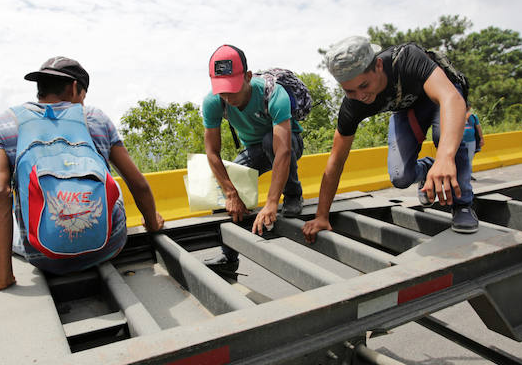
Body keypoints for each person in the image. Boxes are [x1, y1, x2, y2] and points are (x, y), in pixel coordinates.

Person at [0, 57, 163, 297]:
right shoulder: (95, 118)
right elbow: (138, 183)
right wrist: (152, 223)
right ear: (74, 88)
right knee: (110, 182)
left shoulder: (0, 125)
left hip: (44, 257)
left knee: (11, 207)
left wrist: (2, 276)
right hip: (108, 245)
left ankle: (9, 268)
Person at [303, 36, 477, 242]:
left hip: (441, 98)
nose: (360, 96)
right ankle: (428, 168)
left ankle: (463, 204)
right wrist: (322, 216)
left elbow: (451, 98)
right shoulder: (353, 105)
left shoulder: (406, 59)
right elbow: (335, 160)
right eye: (350, 91)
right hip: (408, 109)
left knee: (446, 139)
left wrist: (445, 158)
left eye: (364, 85)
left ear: (377, 65)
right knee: (400, 176)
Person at [201, 44, 305, 273]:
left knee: (271, 142)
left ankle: (294, 194)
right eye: (222, 91)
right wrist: (231, 194)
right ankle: (228, 258)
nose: (228, 98)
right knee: (223, 195)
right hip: (254, 150)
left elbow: (283, 152)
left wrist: (271, 203)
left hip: (288, 142)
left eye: (233, 89)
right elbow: (212, 152)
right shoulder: (213, 102)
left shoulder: (273, 93)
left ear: (248, 77)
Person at [464, 104, 484, 178]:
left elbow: (478, 128)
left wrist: (481, 138)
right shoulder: (458, 116)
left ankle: (468, 174)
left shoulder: (473, 117)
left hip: (471, 141)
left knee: (469, 158)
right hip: (461, 142)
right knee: (461, 158)